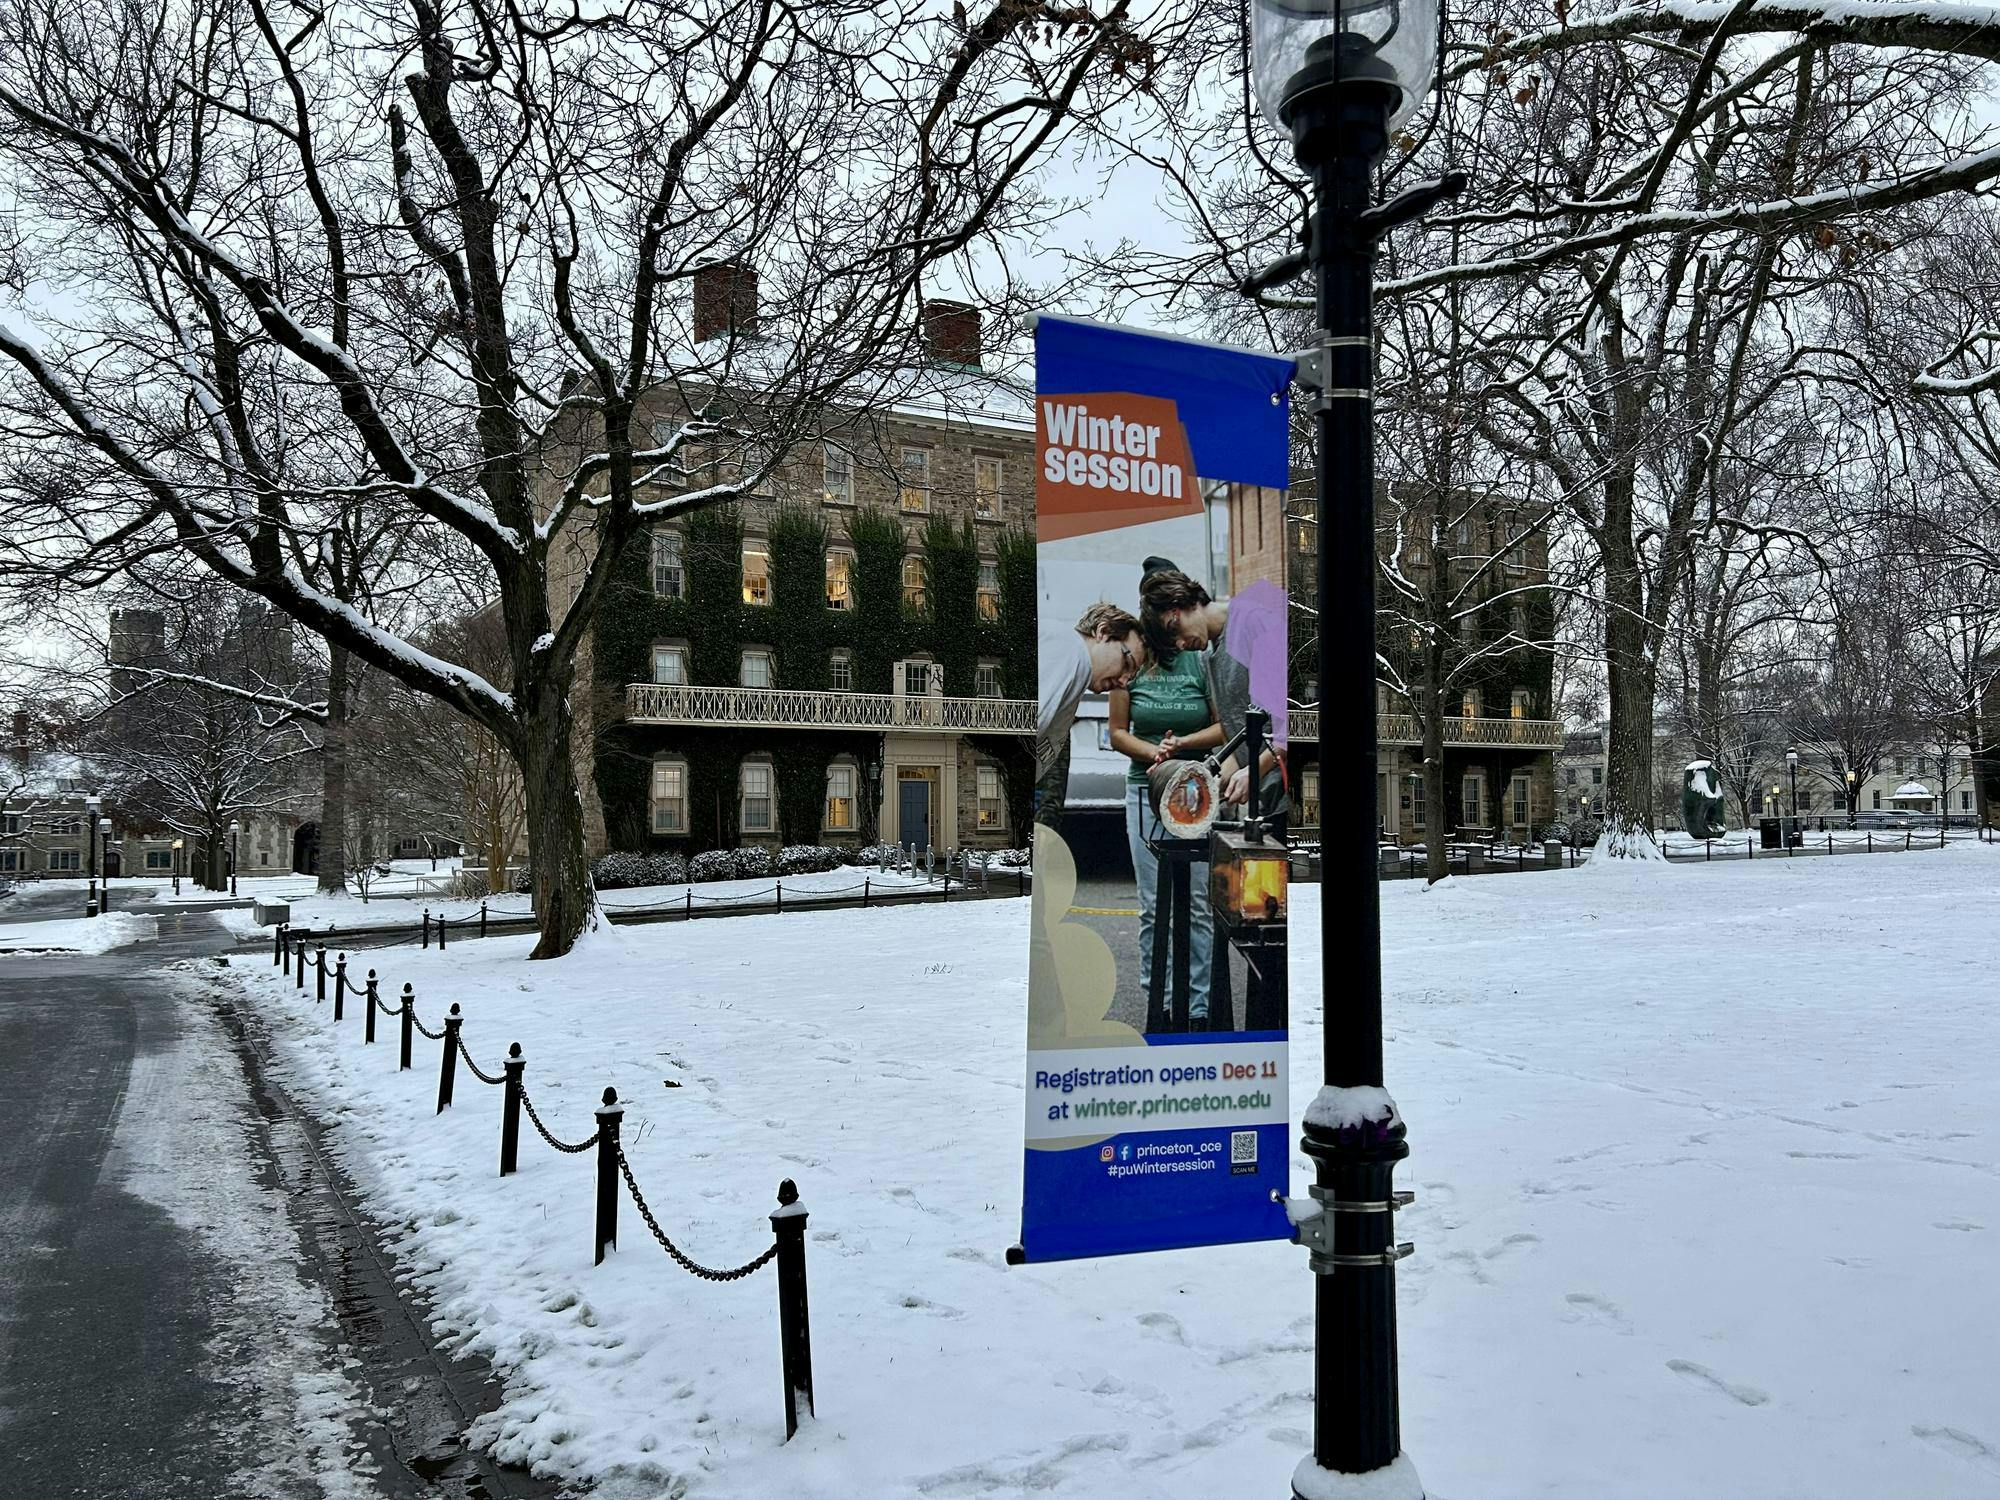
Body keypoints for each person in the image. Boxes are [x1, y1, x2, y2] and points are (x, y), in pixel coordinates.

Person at [1108, 598, 1217, 1027]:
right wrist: (1156, 753)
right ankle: (1161, 1001)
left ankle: (1199, 1007)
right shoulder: (1130, 664)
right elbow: (1117, 732)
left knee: (1198, 904)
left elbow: (1223, 725)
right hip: (1143, 789)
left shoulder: (1200, 660)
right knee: (1154, 906)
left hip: (1196, 790)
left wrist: (1181, 747)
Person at [1037, 601, 1144, 780]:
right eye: (1126, 663)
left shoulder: (1078, 664)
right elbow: (1023, 728)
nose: (1123, 682)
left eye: (1131, 677)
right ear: (1102, 632)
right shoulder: (1068, 649)